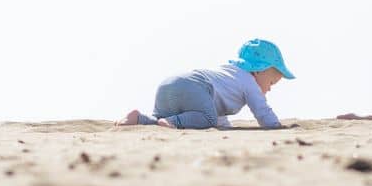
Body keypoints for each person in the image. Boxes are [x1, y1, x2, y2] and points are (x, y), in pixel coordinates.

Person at [117, 38, 294, 130]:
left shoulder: (229, 74)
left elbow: (217, 106)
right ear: (258, 70)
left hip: (169, 85)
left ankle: (138, 118)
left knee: (158, 120)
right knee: (206, 119)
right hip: (196, 86)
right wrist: (275, 126)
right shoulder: (249, 82)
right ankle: (173, 122)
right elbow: (262, 112)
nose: (270, 88)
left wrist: (224, 127)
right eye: (271, 82)